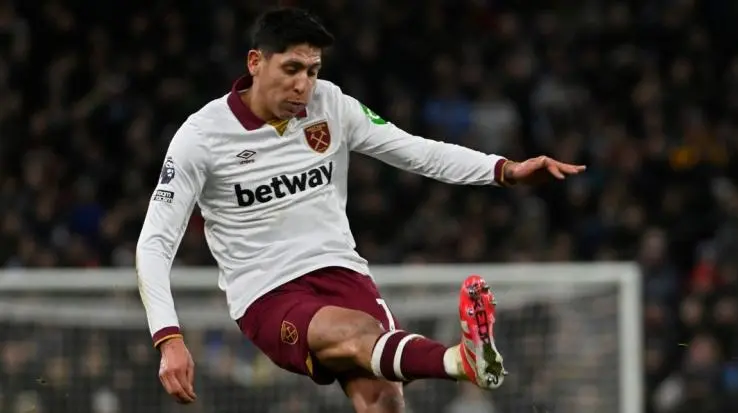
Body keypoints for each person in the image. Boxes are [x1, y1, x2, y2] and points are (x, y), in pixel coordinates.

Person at [135, 7, 585, 413]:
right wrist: (168, 337)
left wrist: (504, 170)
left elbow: (417, 151)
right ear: (255, 62)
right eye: (291, 68)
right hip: (268, 293)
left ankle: (460, 361)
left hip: (343, 272)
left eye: (312, 71)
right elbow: (155, 243)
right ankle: (461, 360)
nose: (303, 84)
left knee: (383, 399)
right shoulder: (202, 137)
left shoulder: (331, 105)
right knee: (355, 331)